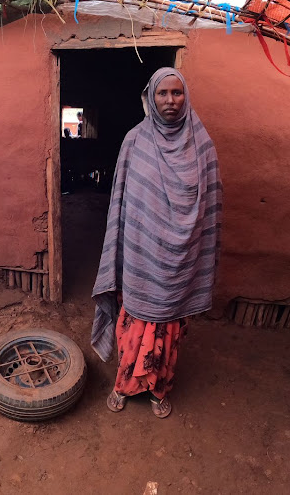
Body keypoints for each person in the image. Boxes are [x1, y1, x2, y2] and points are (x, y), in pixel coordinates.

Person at [91, 67, 222, 419]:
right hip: (140, 256)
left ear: (186, 97)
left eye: (176, 93)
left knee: (168, 331)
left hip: (181, 260)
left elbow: (209, 207)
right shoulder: (135, 141)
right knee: (133, 326)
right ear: (151, 97)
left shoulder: (202, 146)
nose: (170, 100)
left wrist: (185, 243)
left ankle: (159, 388)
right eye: (162, 93)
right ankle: (123, 384)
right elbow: (122, 203)